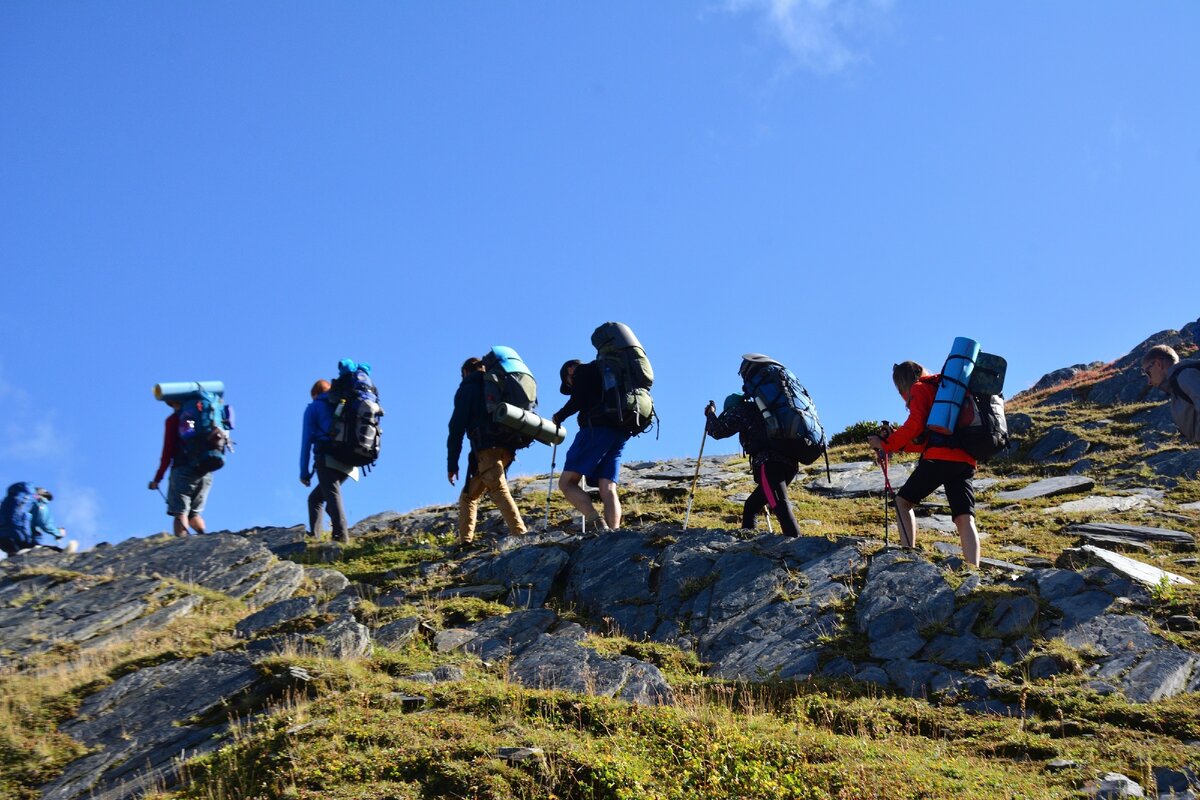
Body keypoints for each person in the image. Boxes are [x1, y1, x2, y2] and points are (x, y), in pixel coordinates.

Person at [866, 361, 981, 568]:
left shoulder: (919, 388)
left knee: (903, 502)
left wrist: (886, 444)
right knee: (964, 516)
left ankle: (907, 554)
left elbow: (915, 424)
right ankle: (973, 569)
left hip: (938, 459)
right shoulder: (943, 389)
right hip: (965, 459)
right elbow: (928, 439)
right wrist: (898, 445)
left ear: (902, 383)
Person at [447, 357, 528, 544]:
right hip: (508, 447)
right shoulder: (497, 383)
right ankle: (464, 542)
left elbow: (456, 428)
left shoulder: (467, 389)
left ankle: (521, 535)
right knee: (468, 496)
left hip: (486, 448)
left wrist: (452, 463)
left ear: (466, 372)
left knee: (498, 490)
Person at [704, 392, 802, 537]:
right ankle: (748, 539)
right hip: (789, 462)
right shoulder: (761, 410)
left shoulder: (741, 411)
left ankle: (796, 542)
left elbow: (717, 431)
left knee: (779, 503)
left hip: (769, 463)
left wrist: (710, 414)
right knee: (751, 506)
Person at [552, 358, 630, 531]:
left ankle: (595, 522)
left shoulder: (582, 372)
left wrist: (559, 416)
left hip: (595, 429)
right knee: (608, 487)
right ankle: (613, 532)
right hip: (619, 432)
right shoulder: (605, 374)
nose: (571, 386)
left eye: (568, 382)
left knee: (566, 483)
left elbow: (578, 399)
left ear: (570, 369)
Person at [301, 379, 355, 543]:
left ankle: (340, 536)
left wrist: (304, 472)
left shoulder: (314, 407)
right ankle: (315, 536)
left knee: (332, 494)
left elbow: (306, 441)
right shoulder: (344, 401)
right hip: (350, 459)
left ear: (315, 394)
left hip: (327, 457)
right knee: (316, 499)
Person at [149, 400, 211, 537]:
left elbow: (167, 452)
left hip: (183, 470)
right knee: (194, 513)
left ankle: (182, 545)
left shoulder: (173, 420)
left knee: (180, 512)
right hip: (205, 470)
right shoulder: (201, 416)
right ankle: (204, 538)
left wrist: (157, 479)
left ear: (171, 402)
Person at [1142, 344, 1200, 444]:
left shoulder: (1185, 376)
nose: (1149, 381)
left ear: (1158, 364)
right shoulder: (1176, 385)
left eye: (1148, 373)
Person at [0, 484, 66, 557]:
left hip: (2, 538)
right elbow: (44, 523)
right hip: (20, 535)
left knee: (14, 554)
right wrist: (58, 533)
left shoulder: (8, 501)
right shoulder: (39, 503)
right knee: (32, 551)